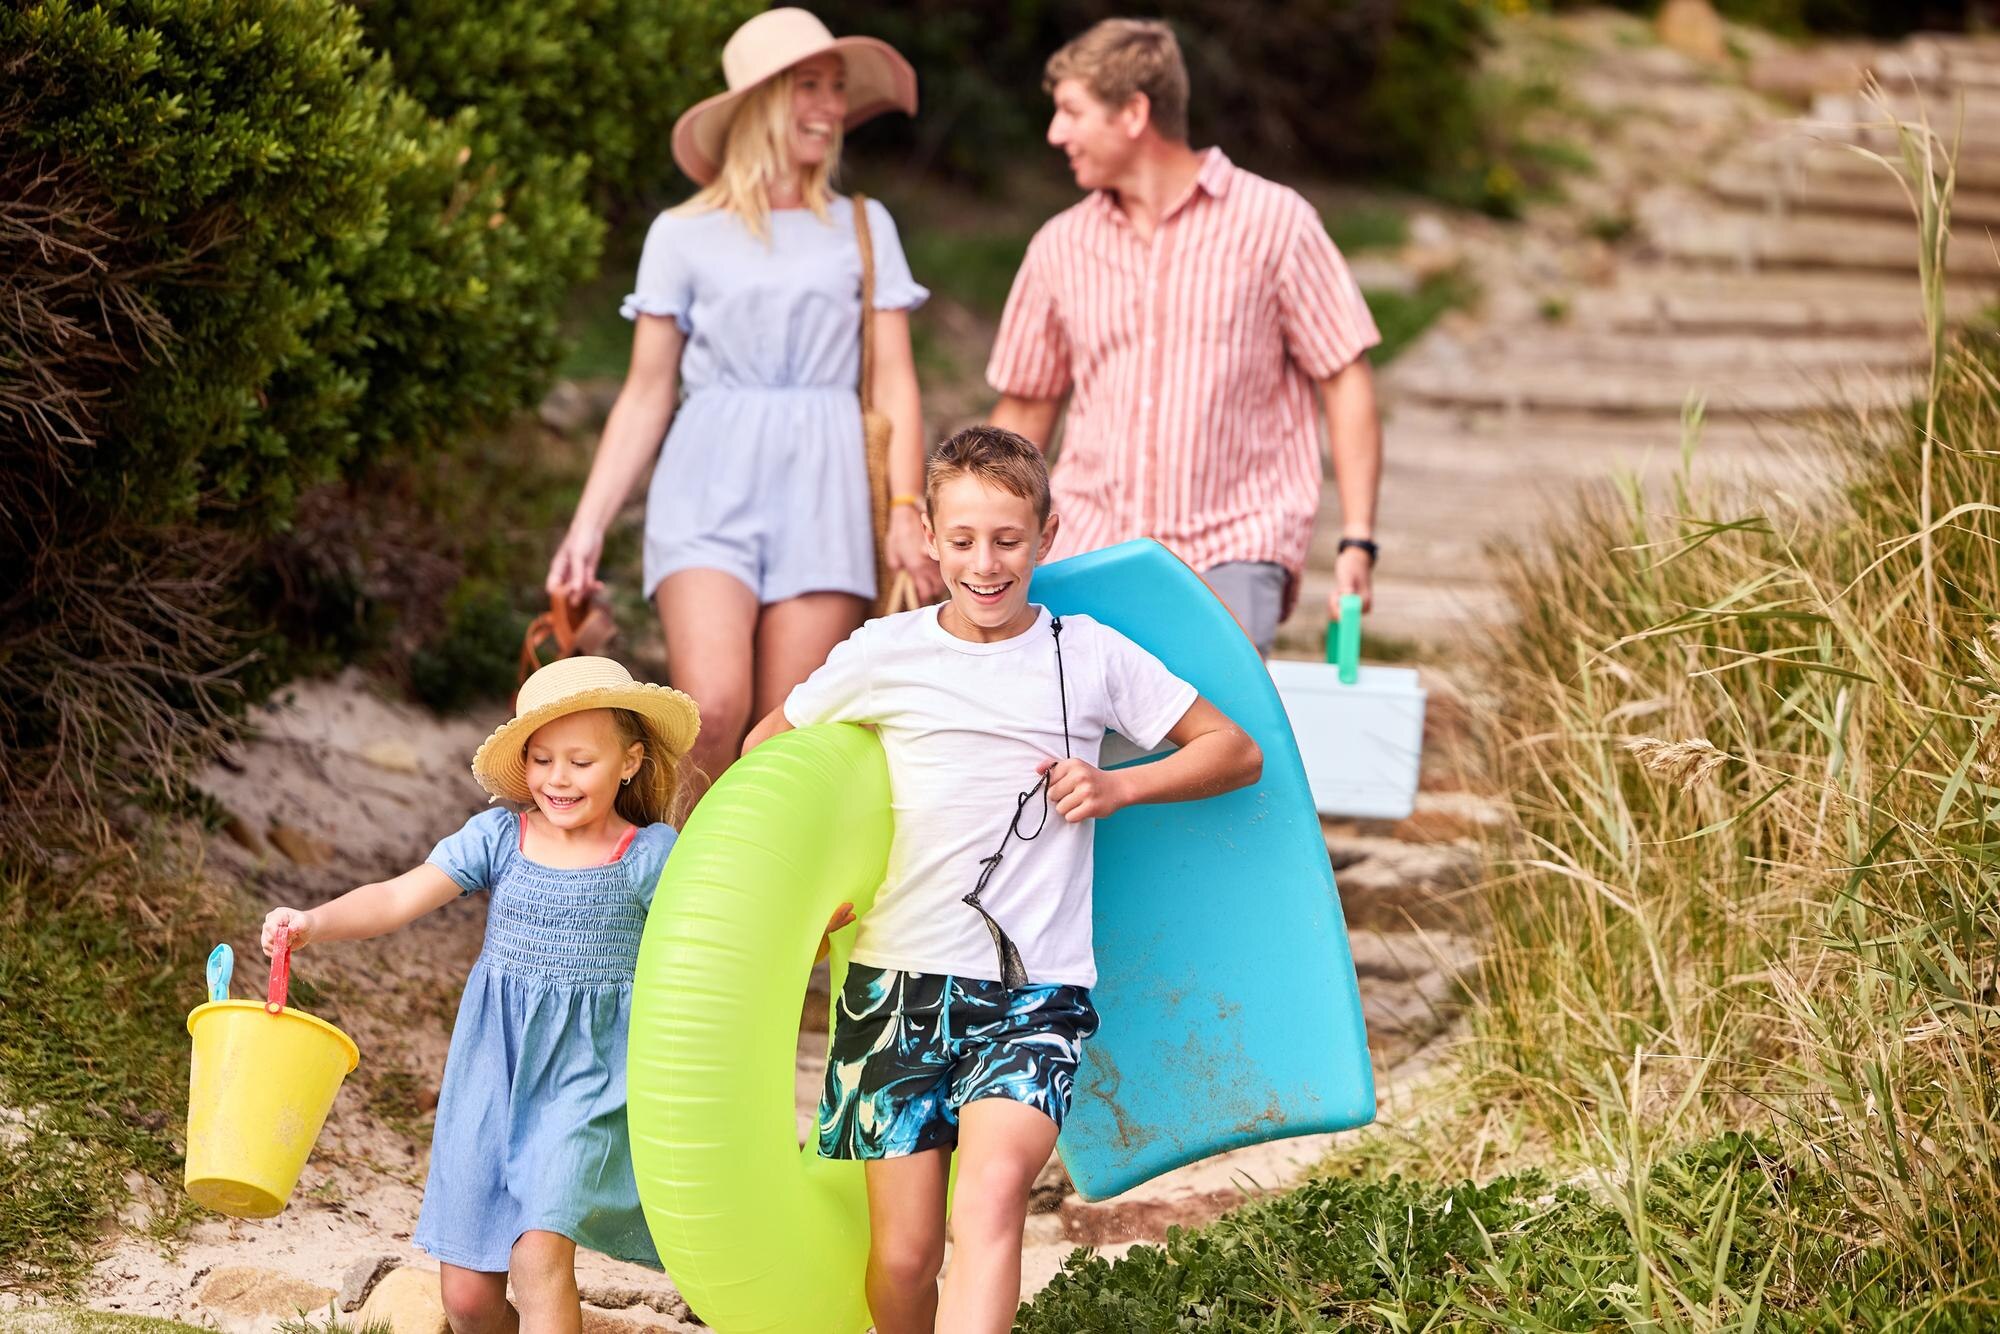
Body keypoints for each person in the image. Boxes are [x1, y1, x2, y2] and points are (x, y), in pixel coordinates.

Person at [742, 425, 1263, 1333]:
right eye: (964, 540)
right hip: (893, 982)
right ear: (930, 542)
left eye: (1008, 540)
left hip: (1034, 993)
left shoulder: (1089, 654)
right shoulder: (883, 652)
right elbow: (764, 756)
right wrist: (808, 891)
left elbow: (1235, 750)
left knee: (986, 1207)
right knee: (903, 1258)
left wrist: (1118, 783)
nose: (986, 563)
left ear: (1047, 535)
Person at [546, 8, 940, 800]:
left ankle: (757, 922)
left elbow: (896, 378)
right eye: (809, 88)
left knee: (783, 732)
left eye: (837, 89)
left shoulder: (864, 225)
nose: (830, 108)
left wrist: (905, 506)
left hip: (826, 485)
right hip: (708, 479)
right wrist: (586, 526)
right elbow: (647, 391)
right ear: (760, 102)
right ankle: (674, 907)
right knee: (712, 712)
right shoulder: (681, 234)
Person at [259, 658, 699, 1333]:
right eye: (542, 758)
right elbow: (398, 895)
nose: (557, 778)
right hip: (492, 1070)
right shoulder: (497, 838)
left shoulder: (649, 854)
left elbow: (715, 930)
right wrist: (314, 923)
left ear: (630, 762)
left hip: (590, 1078)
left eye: (581, 761)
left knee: (537, 1252)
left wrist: (807, 930)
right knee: (466, 1296)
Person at [987, 18, 1385, 657]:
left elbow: (1344, 376)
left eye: (1071, 111)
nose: (1055, 133)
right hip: (1092, 546)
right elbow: (1026, 408)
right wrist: (976, 537)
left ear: (1134, 113)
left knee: (1214, 746)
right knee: (1089, 749)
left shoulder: (1275, 224)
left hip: (1233, 547)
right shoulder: (1058, 246)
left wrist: (1358, 539)